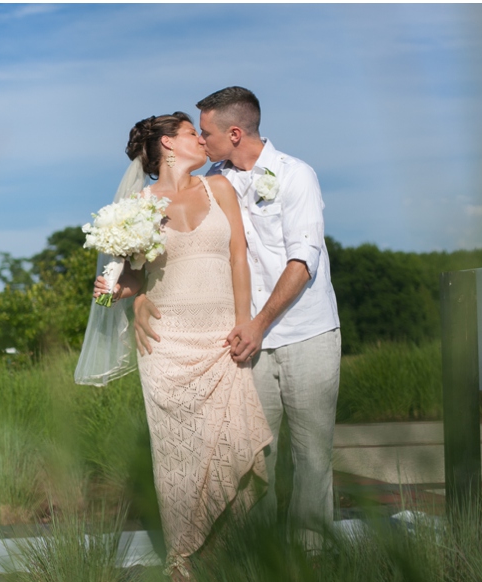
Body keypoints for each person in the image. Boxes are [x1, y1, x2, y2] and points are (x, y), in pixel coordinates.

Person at [133, 87, 341, 554]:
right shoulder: (213, 179)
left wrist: (257, 323)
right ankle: (258, 557)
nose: (201, 141)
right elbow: (176, 256)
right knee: (251, 454)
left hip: (305, 332)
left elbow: (302, 261)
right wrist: (137, 298)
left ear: (233, 132)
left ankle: (315, 557)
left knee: (311, 455)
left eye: (204, 132)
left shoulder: (296, 176)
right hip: (243, 343)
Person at [94, 112, 272, 582]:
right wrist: (124, 294)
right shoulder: (139, 206)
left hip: (222, 341)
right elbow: (117, 286)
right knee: (178, 458)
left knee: (233, 443)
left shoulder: (221, 190)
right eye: (193, 132)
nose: (201, 137)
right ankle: (181, 558)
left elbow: (238, 256)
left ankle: (230, 554)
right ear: (169, 145)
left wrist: (243, 323)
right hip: (166, 347)